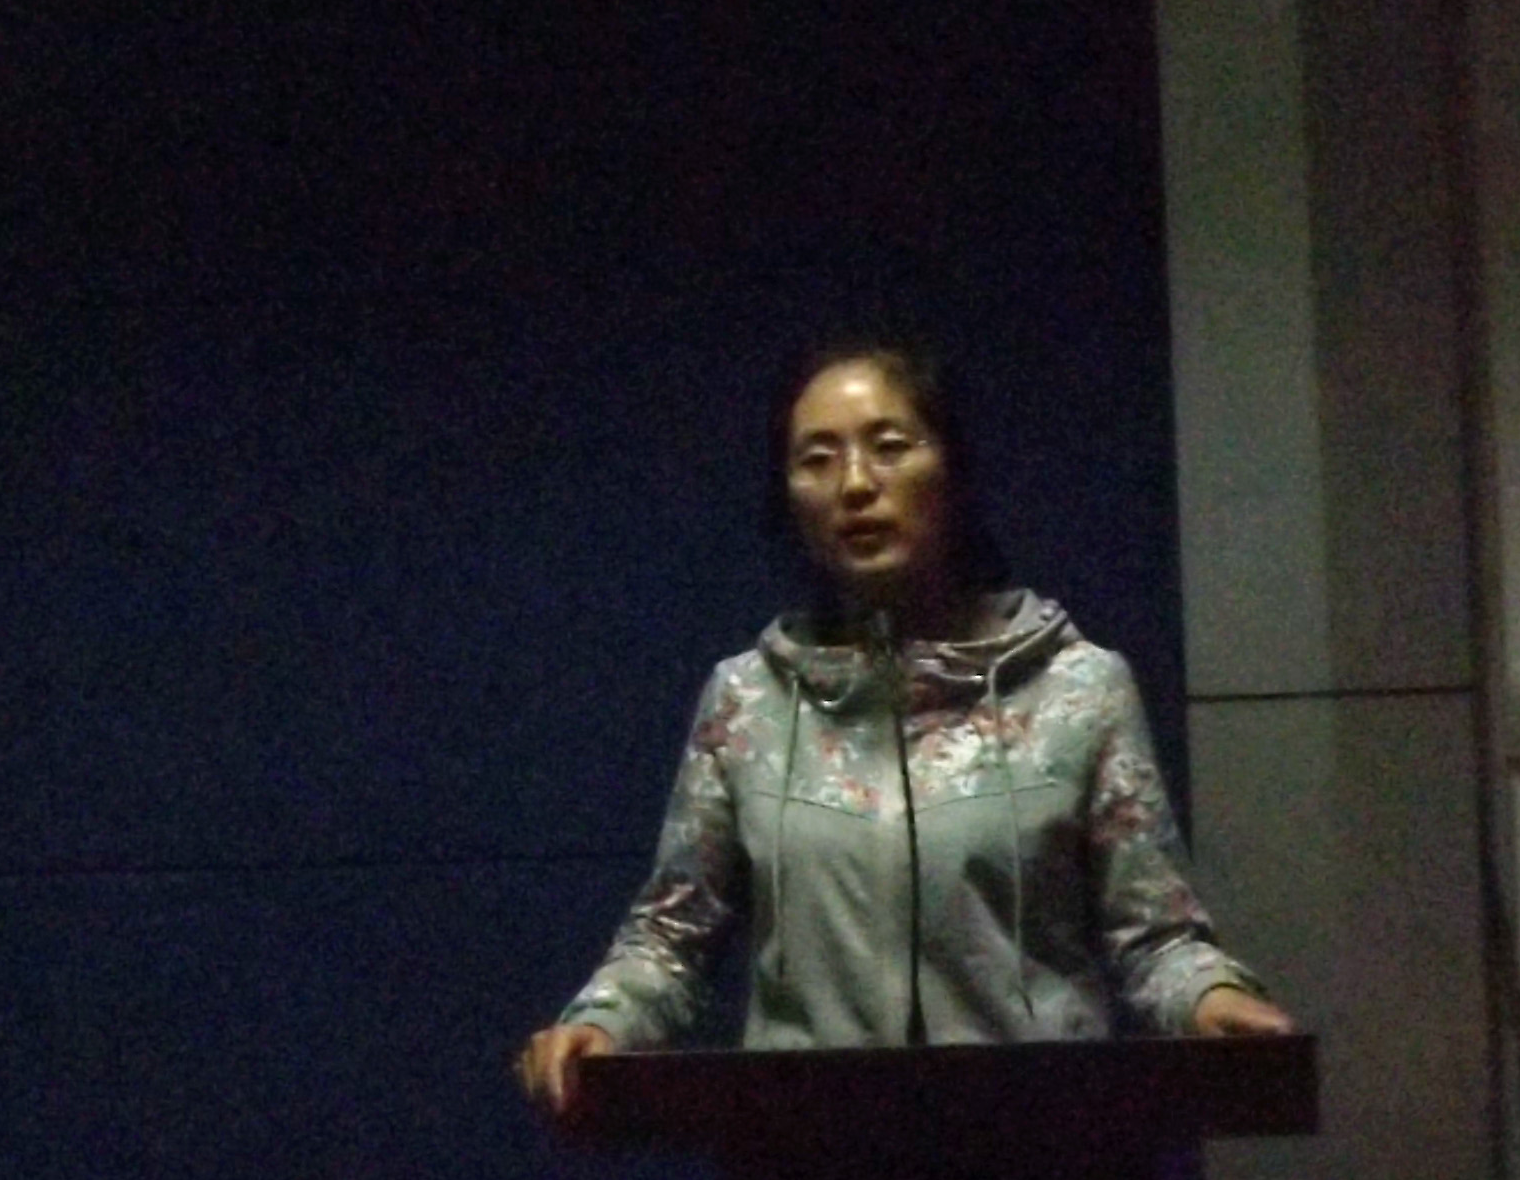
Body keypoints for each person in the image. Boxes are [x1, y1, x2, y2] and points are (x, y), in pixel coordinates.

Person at [515, 339, 1294, 1113]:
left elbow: (1157, 939)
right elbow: (672, 937)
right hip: (806, 1149)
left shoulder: (1079, 688)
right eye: (817, 459)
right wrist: (603, 1021)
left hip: (1043, 1141)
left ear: (952, 471)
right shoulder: (747, 702)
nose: (856, 484)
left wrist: (1211, 996)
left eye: (889, 447)